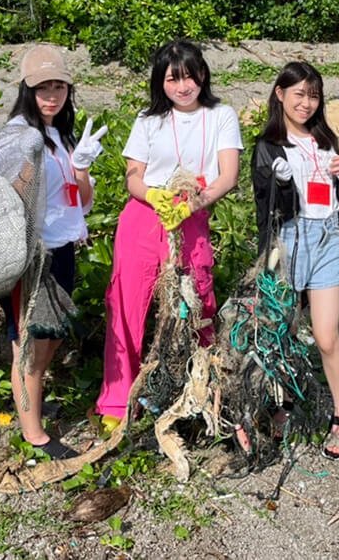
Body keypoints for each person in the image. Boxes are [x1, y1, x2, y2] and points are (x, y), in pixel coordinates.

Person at [94, 39, 242, 431]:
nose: (182, 86)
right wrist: (156, 196)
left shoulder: (221, 115)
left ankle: (201, 389)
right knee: (127, 303)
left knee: (198, 302)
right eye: (173, 78)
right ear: (160, 81)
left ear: (203, 75)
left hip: (191, 217)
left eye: (190, 76)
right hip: (144, 217)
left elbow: (228, 174)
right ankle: (117, 399)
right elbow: (133, 177)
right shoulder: (148, 120)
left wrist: (191, 204)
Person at [0, 44, 106, 460]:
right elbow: (9, 199)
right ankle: (33, 432)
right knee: (28, 342)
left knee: (50, 337)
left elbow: (85, 201)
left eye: (59, 86)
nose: (52, 96)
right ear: (27, 90)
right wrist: (28, 167)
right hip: (32, 255)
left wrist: (80, 167)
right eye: (43, 87)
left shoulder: (62, 135)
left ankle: (32, 401)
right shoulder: (18, 135)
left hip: (62, 247)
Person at [251, 61, 339, 459]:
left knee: (327, 336)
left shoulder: (324, 140)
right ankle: (281, 406)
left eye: (313, 96)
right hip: (289, 241)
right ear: (279, 94)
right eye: (299, 94)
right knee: (281, 328)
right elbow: (267, 207)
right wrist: (278, 180)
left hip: (328, 236)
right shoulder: (268, 146)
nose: (306, 103)